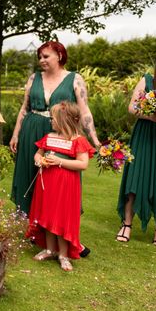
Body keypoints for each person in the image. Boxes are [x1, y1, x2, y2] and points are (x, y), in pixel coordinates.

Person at [10, 41, 101, 214]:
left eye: (46, 56)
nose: (41, 60)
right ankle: (26, 219)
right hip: (32, 130)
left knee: (57, 176)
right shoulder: (34, 78)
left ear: (59, 56)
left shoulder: (75, 78)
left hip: (61, 134)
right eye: (39, 57)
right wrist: (16, 135)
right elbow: (24, 109)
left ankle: (54, 221)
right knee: (29, 172)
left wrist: (95, 140)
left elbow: (84, 110)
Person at [27, 101, 95, 271]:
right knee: (48, 216)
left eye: (53, 118)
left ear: (65, 120)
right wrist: (39, 160)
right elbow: (38, 153)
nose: (51, 121)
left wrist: (59, 161)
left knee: (62, 218)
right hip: (47, 185)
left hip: (66, 188)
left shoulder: (78, 140)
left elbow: (83, 164)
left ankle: (63, 254)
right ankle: (50, 249)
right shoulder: (49, 137)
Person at [116, 52, 156, 246]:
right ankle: (127, 224)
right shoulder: (147, 80)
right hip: (144, 135)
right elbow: (132, 108)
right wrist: (149, 116)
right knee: (136, 178)